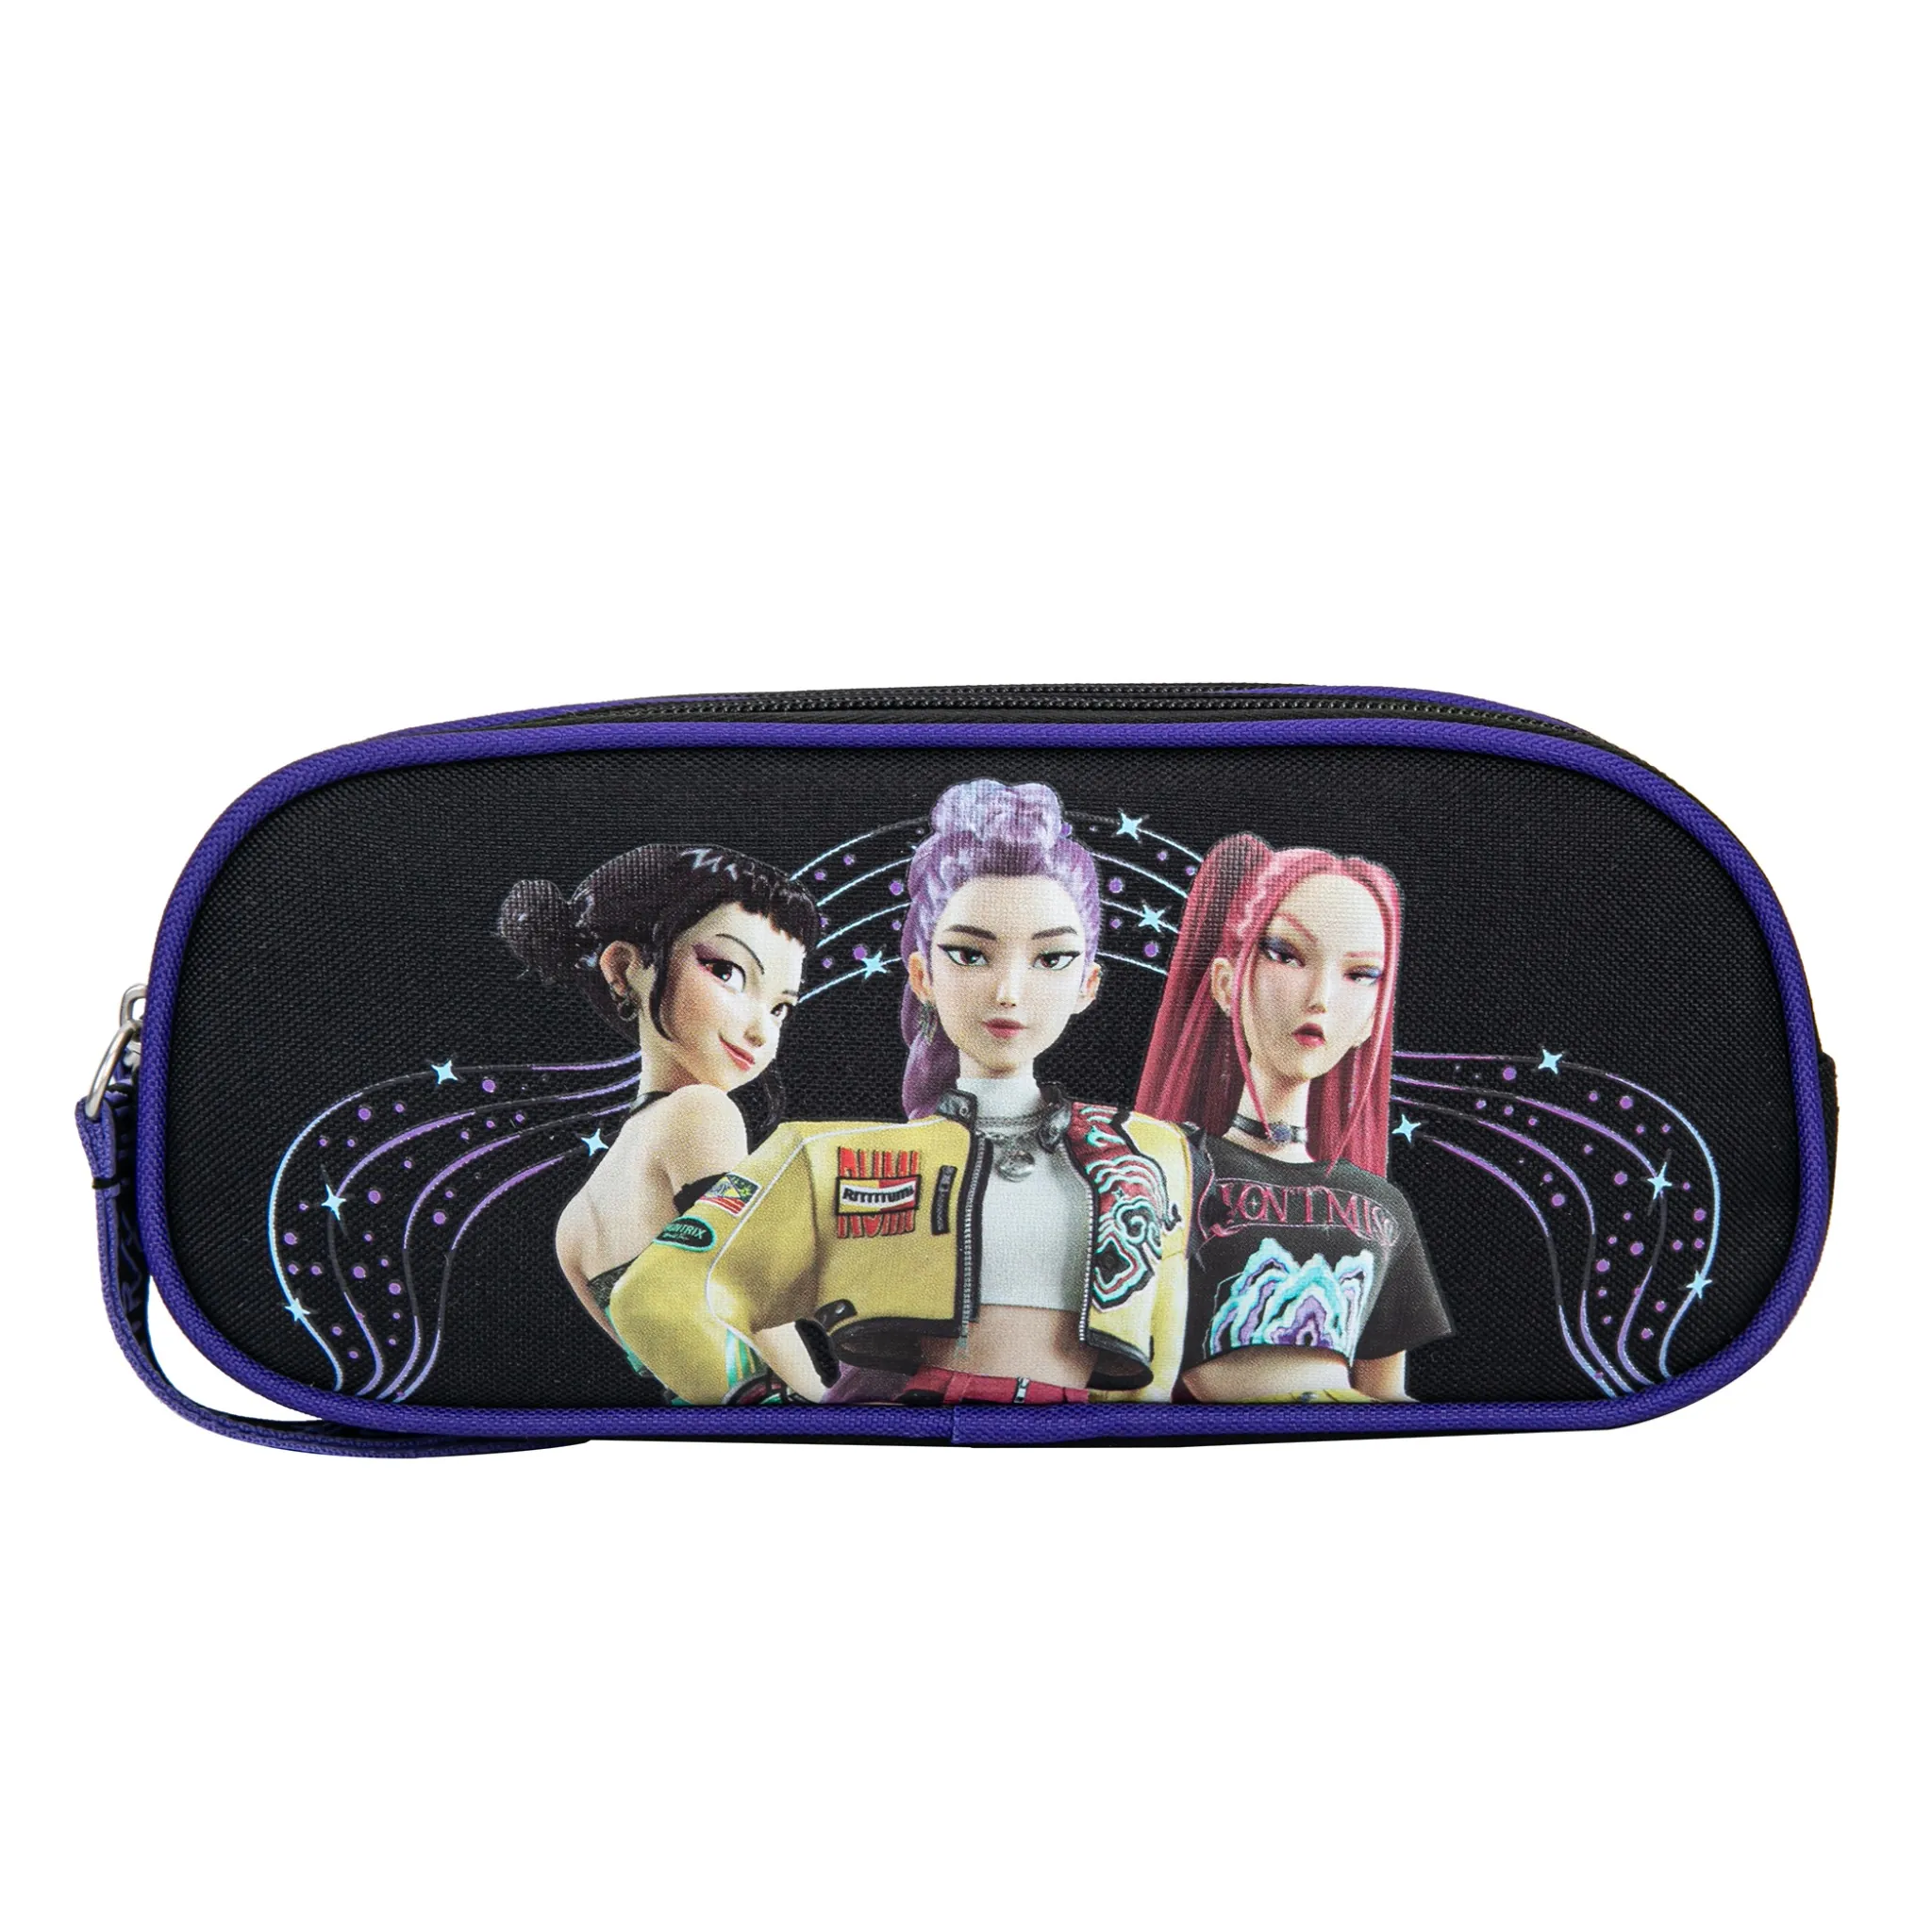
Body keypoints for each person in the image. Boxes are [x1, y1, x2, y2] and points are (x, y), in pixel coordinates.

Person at [608, 780, 1198, 1406]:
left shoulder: (1153, 1154)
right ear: (923, 974)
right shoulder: (827, 1159)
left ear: (1088, 984)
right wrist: (773, 1415)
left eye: (1051, 959)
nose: (1008, 991)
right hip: (908, 1435)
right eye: (969, 954)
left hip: (1086, 1446)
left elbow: (1152, 1382)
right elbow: (655, 1295)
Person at [498, 842, 823, 1396]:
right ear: (624, 967)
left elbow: (662, 1369)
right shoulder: (702, 1114)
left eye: (780, 1008)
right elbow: (748, 1300)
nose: (760, 1030)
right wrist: (829, 1406)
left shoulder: (574, 1226)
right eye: (727, 972)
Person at [1137, 837, 1452, 1401]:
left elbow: (1389, 1397)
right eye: (1285, 954)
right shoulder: (1164, 1166)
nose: (1320, 997)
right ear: (1226, 983)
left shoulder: (1382, 1204)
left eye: (1361, 973)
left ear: (1371, 1022)